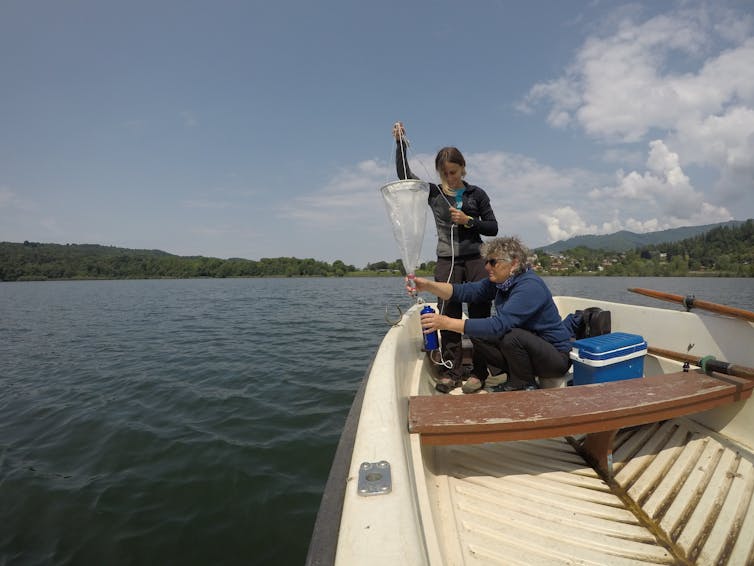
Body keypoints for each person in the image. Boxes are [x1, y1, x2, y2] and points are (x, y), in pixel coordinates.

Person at [392, 121, 498, 392]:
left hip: (475, 259)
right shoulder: (434, 193)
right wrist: (400, 144)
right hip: (446, 261)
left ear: (463, 168)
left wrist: (469, 220)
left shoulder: (477, 194)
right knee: (448, 313)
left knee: (479, 315)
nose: (450, 177)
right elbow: (405, 175)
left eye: (454, 172)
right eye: (445, 173)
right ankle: (451, 370)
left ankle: (479, 372)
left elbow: (493, 227)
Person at [409, 236, 572, 393]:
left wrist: (445, 323)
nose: (487, 267)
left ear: (513, 264)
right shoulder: (500, 283)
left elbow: (499, 325)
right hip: (531, 352)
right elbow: (464, 291)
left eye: (493, 262)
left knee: (511, 336)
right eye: (486, 261)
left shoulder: (529, 286)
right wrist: (428, 286)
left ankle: (523, 384)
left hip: (555, 358)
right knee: (478, 333)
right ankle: (514, 378)